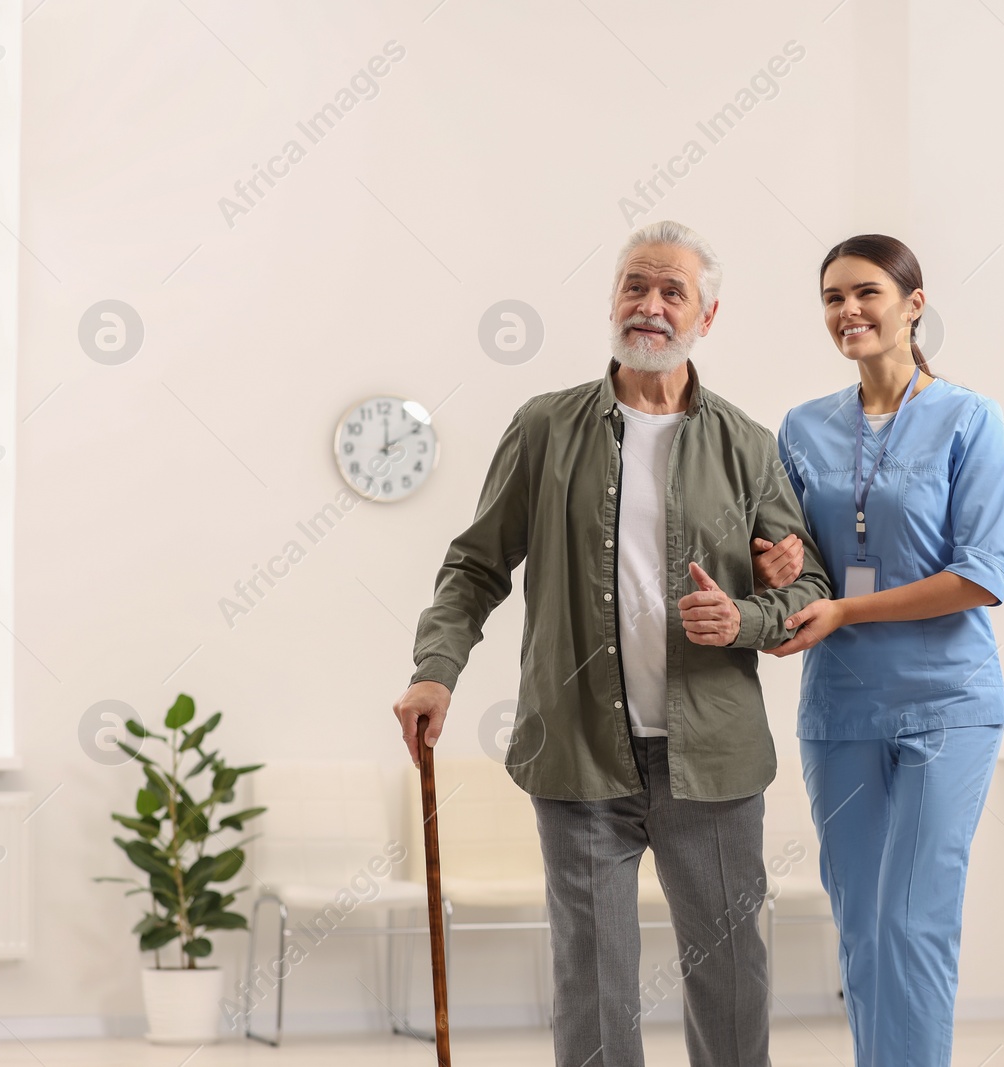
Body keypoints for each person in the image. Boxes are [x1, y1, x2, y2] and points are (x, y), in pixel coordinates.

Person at [393, 219, 832, 1067]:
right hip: (579, 750)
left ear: (709, 315)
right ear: (613, 302)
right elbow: (476, 564)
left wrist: (749, 616)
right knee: (593, 985)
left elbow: (805, 586)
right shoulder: (546, 427)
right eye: (637, 285)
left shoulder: (749, 445)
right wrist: (435, 671)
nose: (652, 304)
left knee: (732, 974)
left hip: (713, 758)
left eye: (674, 291)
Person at [750, 233, 1004, 1066]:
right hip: (840, 708)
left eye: (867, 292)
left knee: (915, 917)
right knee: (863, 925)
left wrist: (847, 611)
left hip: (948, 701)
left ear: (914, 303)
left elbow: (982, 573)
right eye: (833, 297)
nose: (848, 310)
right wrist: (779, 566)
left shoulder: (969, 418)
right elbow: (795, 560)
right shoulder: (802, 426)